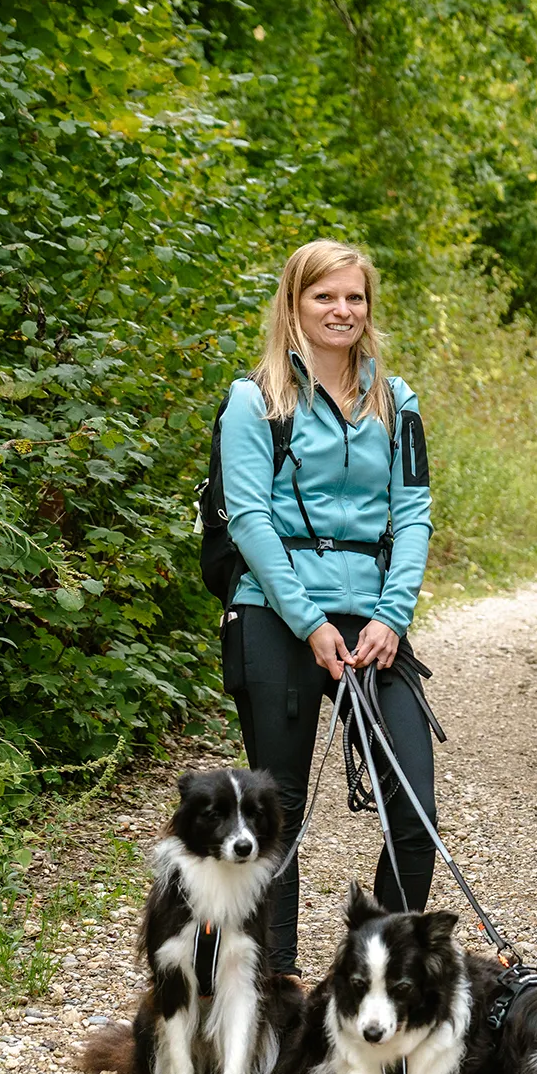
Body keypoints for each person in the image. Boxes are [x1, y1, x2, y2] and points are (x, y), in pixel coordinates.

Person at [218, 239, 437, 978]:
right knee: (271, 821)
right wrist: (309, 622)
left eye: (355, 297)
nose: (342, 310)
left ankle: (385, 973)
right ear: (295, 303)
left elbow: (414, 512)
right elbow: (248, 519)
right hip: (277, 614)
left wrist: (393, 614)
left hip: (374, 619)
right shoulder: (255, 400)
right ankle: (271, 987)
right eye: (325, 296)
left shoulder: (394, 398)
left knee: (414, 810)